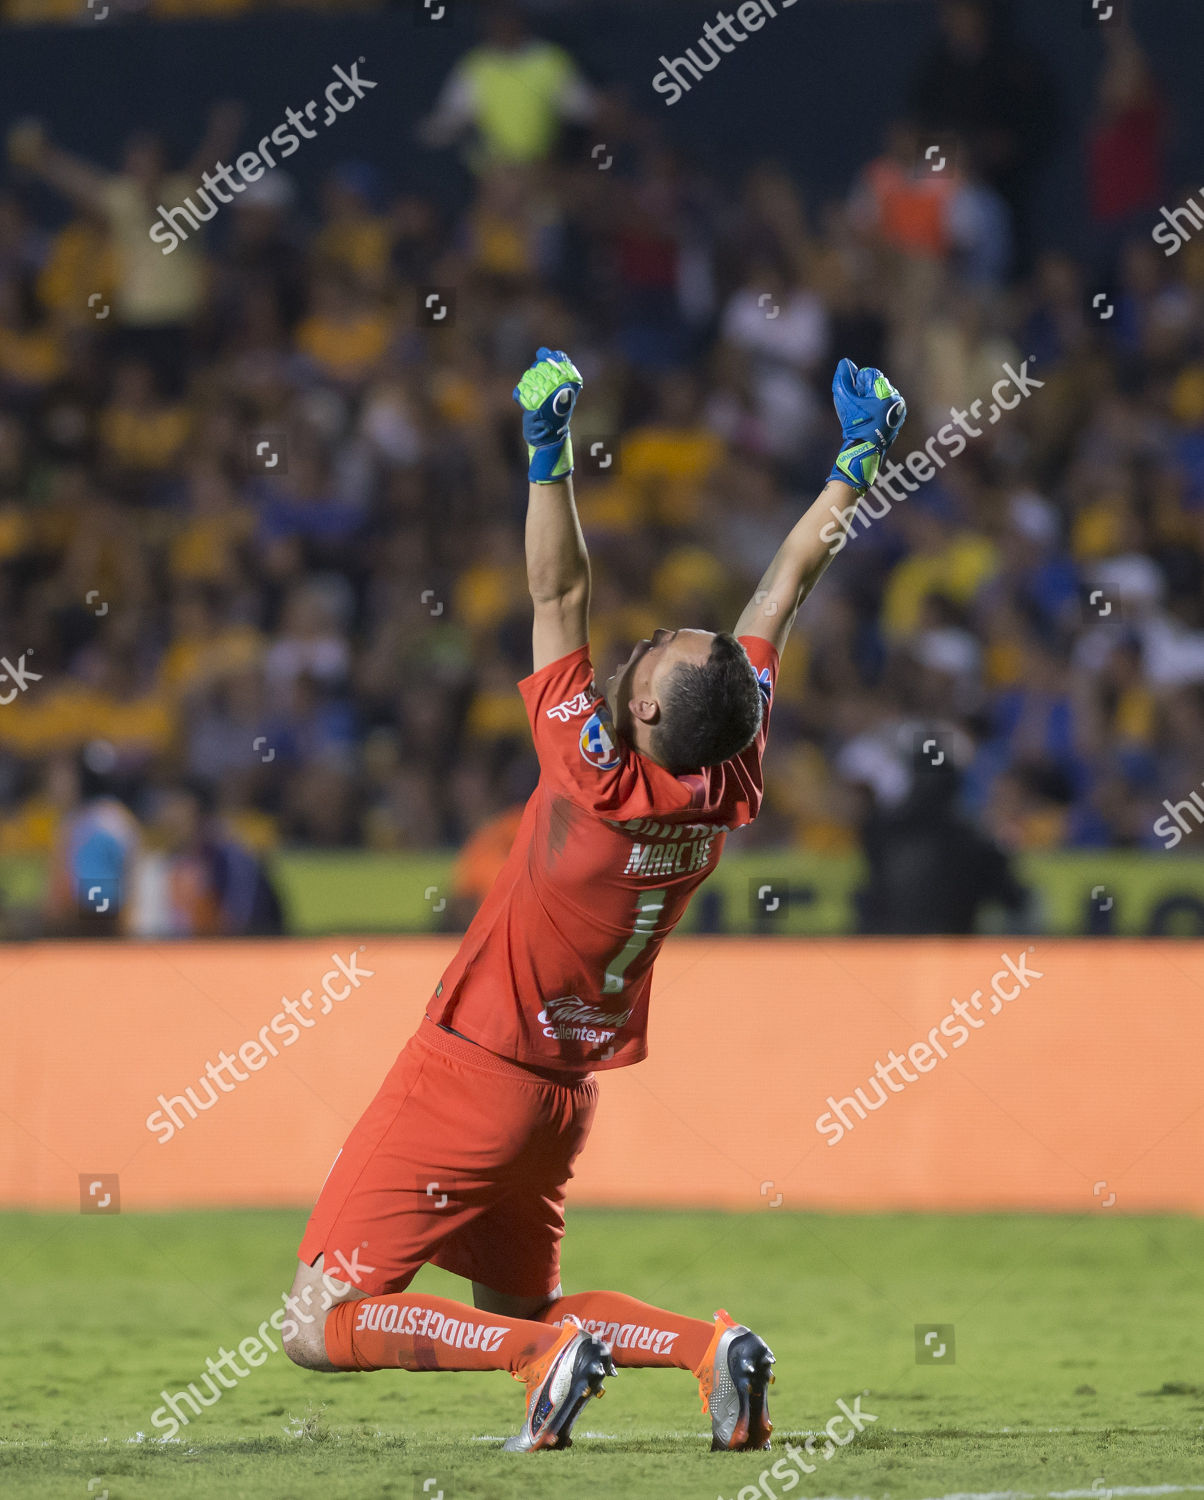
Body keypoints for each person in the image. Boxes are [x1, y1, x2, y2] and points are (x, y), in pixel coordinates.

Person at [281, 348, 907, 1451]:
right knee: (516, 1306)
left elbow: (557, 590)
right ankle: (711, 1350)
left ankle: (541, 1363)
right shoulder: (730, 773)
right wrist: (854, 465)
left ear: (653, 718)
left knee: (317, 1320)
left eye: (651, 660)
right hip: (561, 1097)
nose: (640, 650)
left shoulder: (595, 775)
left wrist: (547, 449)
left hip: (473, 1069)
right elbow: (785, 585)